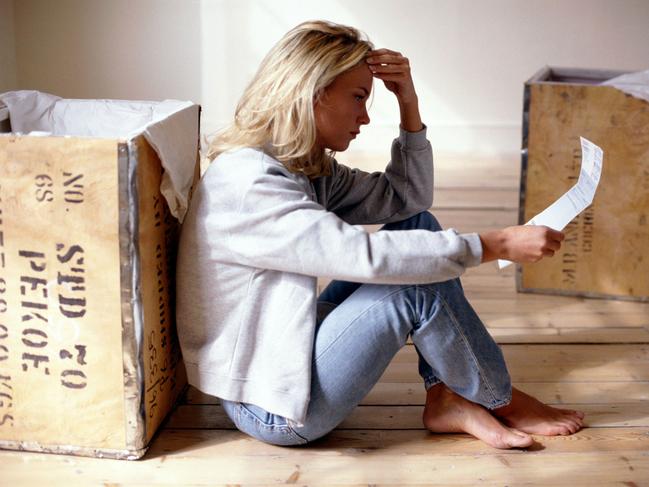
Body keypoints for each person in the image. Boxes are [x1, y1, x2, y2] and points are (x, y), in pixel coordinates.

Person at [176, 20, 585, 449]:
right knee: (413, 289)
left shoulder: (298, 166)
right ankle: (498, 398)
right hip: (269, 405)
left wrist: (409, 102)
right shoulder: (251, 182)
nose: (366, 117)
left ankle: (446, 396)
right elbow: (363, 256)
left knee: (417, 228)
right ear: (312, 92)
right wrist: (494, 244)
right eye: (358, 98)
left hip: (285, 352)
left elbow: (407, 200)